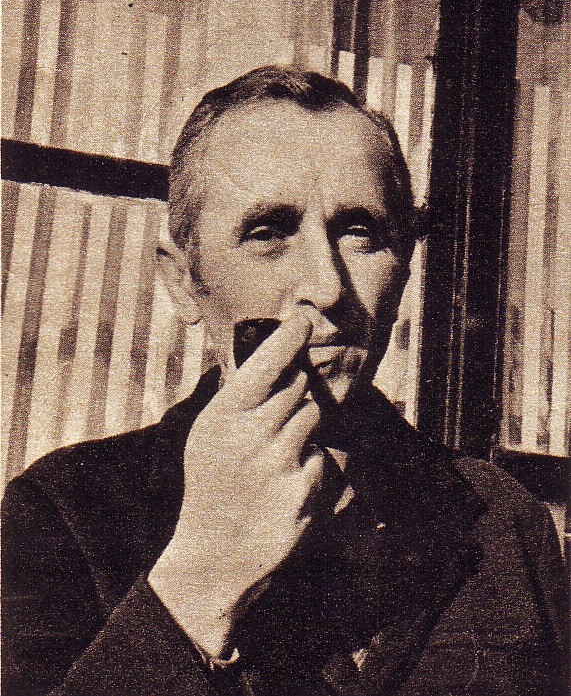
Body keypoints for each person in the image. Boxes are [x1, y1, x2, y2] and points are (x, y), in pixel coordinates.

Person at [2, 66, 567, 696]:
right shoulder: (67, 513)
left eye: (361, 233)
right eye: (268, 233)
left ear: (404, 271)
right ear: (184, 281)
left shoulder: (501, 522)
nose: (326, 287)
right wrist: (200, 583)